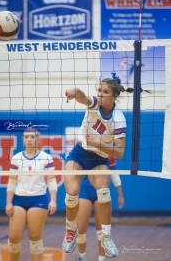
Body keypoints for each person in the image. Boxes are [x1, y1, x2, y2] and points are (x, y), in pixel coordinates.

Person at [62, 76, 129, 258]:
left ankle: (106, 237)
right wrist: (75, 91)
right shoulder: (94, 104)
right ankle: (70, 230)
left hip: (99, 159)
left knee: (104, 192)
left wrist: (99, 143)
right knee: (72, 191)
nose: (100, 94)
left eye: (105, 92)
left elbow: (120, 153)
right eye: (99, 90)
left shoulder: (119, 119)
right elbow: (84, 97)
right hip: (78, 154)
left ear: (114, 96)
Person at [5, 128, 57, 261]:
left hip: (38, 200)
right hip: (18, 200)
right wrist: (9, 202)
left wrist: (53, 200)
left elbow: (51, 180)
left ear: (37, 140)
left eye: (32, 137)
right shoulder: (16, 158)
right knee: (14, 237)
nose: (29, 139)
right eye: (26, 137)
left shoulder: (46, 157)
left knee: (34, 237)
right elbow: (12, 181)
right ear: (23, 139)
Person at [76, 156, 124, 261]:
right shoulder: (84, 150)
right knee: (80, 230)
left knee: (102, 231)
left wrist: (120, 195)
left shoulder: (109, 154)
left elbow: (114, 175)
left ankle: (101, 259)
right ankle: (82, 257)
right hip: (84, 192)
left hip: (101, 192)